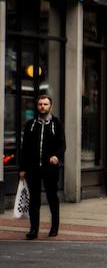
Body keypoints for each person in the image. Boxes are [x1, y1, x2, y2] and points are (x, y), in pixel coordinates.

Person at [20, 95, 65, 240]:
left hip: (50, 168)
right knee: (34, 199)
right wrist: (22, 168)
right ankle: (33, 230)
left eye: (45, 104)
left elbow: (62, 144)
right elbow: (25, 148)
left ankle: (54, 227)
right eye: (40, 104)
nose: (42, 107)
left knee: (52, 197)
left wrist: (56, 156)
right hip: (33, 168)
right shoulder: (31, 124)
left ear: (50, 106)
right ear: (37, 106)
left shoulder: (57, 124)